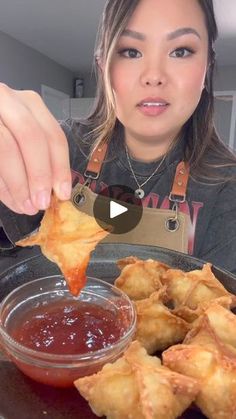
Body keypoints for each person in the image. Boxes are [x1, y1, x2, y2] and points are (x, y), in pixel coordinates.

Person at [0, 0, 236, 273]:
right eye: (131, 51)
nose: (153, 76)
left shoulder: (227, 190)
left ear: (208, 65)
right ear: (104, 68)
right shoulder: (55, 151)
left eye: (181, 51)